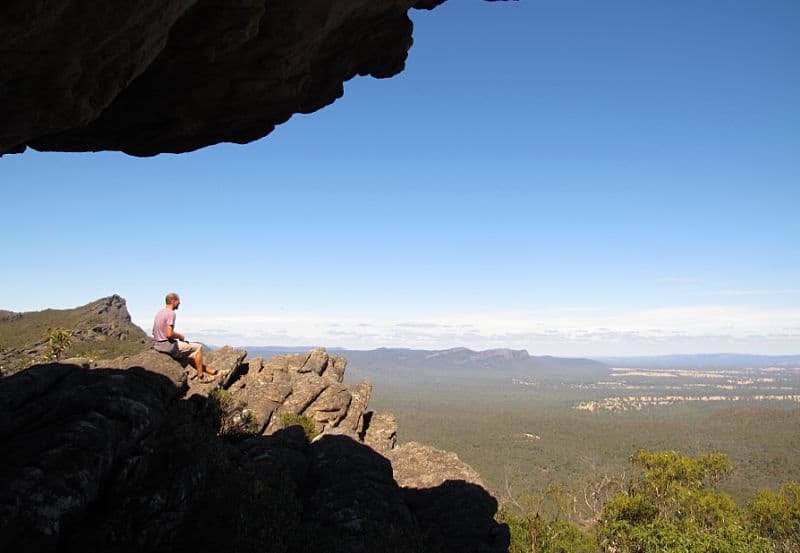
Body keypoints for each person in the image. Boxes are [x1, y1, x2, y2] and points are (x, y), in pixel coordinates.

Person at [152, 292, 217, 381]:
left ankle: (213, 372)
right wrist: (180, 336)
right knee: (198, 348)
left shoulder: (159, 313)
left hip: (158, 344)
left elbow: (153, 331)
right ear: (173, 301)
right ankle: (201, 377)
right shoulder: (170, 313)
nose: (179, 303)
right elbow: (169, 334)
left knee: (190, 355)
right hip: (168, 346)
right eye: (178, 301)